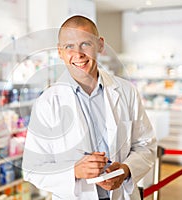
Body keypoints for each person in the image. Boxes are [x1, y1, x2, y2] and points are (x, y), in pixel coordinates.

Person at [22, 15, 157, 200]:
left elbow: (146, 146)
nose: (78, 54)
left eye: (85, 44)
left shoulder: (126, 92)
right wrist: (74, 171)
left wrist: (126, 170)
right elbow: (32, 169)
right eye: (69, 46)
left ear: (100, 45)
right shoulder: (47, 103)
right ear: (60, 52)